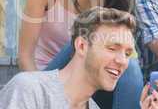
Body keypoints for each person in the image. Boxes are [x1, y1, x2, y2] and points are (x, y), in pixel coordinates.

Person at [1, 7, 136, 109]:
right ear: (82, 46)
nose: (122, 61)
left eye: (127, 54)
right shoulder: (30, 90)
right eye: (112, 48)